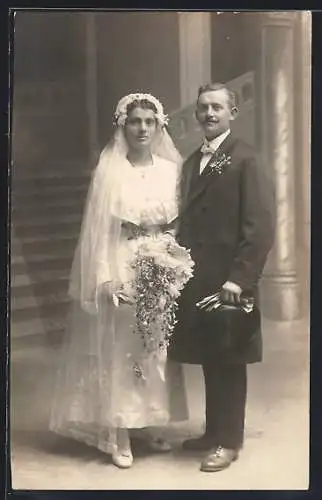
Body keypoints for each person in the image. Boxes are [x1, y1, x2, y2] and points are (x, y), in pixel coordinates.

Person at [49, 93, 188, 469]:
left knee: (156, 347)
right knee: (122, 348)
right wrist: (105, 277)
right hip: (122, 260)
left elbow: (180, 221)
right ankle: (120, 431)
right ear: (123, 126)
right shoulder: (110, 170)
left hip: (161, 262)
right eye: (134, 121)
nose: (141, 128)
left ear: (159, 126)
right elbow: (98, 232)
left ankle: (154, 421)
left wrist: (173, 260)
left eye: (148, 122)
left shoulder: (170, 169)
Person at [168, 82, 275, 472]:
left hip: (230, 280)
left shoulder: (245, 158)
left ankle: (229, 442)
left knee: (229, 359)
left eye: (217, 108)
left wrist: (239, 280)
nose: (209, 114)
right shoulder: (193, 159)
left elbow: (260, 227)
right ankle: (214, 431)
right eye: (203, 108)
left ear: (233, 113)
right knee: (213, 355)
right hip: (201, 278)